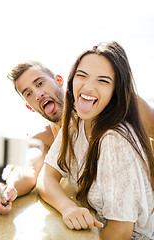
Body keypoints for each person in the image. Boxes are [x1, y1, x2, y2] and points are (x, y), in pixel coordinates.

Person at [0, 59, 154, 214]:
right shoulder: (47, 137)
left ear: (59, 81)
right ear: (29, 107)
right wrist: (9, 188)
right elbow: (29, 168)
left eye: (40, 83)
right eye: (28, 93)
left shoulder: (115, 105)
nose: (38, 94)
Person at [36, 41, 154, 239]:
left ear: (116, 91)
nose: (88, 87)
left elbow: (120, 234)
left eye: (103, 81)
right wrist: (67, 208)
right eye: (82, 76)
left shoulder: (114, 140)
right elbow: (46, 177)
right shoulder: (76, 121)